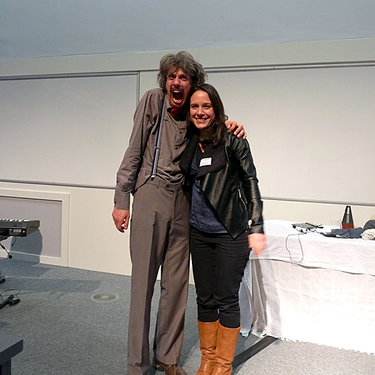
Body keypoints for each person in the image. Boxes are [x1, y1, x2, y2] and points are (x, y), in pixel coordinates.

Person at [112, 51, 245, 375]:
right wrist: (121, 199)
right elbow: (133, 150)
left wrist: (231, 125)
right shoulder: (152, 101)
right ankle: (137, 365)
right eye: (172, 76)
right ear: (165, 80)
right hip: (150, 195)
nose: (176, 82)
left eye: (183, 77)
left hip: (185, 202)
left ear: (192, 82)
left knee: (176, 285)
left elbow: (216, 129)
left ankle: (167, 358)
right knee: (142, 284)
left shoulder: (197, 111)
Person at [180, 83, 266, 375]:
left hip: (231, 231)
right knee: (204, 297)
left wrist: (257, 226)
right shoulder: (189, 140)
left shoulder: (233, 140)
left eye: (206, 106)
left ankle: (223, 365)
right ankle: (208, 359)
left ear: (216, 108)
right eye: (195, 107)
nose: (200, 112)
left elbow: (250, 183)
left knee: (226, 299)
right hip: (198, 231)